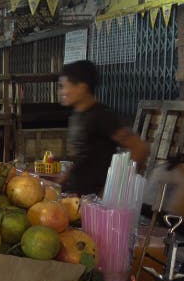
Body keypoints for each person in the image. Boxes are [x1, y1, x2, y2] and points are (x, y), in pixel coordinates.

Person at [59, 60, 149, 195]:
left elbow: (140, 148)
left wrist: (113, 189)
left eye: (64, 86)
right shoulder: (77, 114)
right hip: (77, 193)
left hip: (95, 197)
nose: (61, 92)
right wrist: (65, 176)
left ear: (82, 87)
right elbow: (85, 154)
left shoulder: (102, 116)